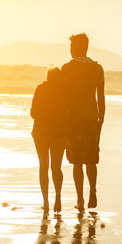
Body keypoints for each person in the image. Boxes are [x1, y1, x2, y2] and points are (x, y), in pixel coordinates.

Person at [61, 33, 105, 210]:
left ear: (77, 47)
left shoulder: (68, 68)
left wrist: (62, 120)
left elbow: (63, 97)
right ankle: (92, 191)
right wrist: (101, 119)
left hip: (73, 119)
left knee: (77, 161)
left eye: (72, 47)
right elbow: (100, 97)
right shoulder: (97, 68)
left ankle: (80, 199)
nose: (70, 50)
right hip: (92, 118)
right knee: (91, 160)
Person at [30, 67, 68, 213]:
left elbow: (33, 113)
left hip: (41, 131)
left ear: (47, 77)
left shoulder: (40, 88)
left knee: (43, 166)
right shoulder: (64, 91)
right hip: (59, 133)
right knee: (56, 167)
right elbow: (68, 113)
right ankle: (58, 198)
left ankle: (46, 202)